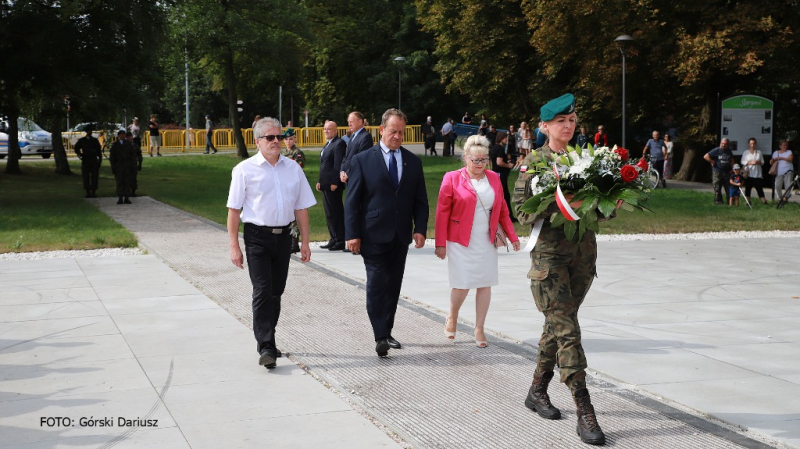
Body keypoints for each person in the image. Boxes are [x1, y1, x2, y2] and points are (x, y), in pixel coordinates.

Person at [513, 93, 607, 446]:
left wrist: (605, 204)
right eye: (560, 122)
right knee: (568, 331)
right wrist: (567, 208)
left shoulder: (587, 159)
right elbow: (523, 211)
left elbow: (601, 204)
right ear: (545, 126)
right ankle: (585, 409)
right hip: (549, 259)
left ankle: (537, 391)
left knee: (556, 327)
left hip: (583, 256)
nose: (568, 126)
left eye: (572, 120)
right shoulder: (533, 163)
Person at [226, 117, 316, 370]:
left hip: (284, 237)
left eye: (279, 136)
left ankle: (268, 338)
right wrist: (234, 245)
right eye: (270, 137)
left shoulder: (293, 168)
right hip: (257, 238)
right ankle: (266, 345)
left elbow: (301, 207)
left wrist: (306, 242)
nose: (276, 141)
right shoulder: (244, 170)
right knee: (263, 290)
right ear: (258, 142)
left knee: (276, 291)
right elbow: (234, 210)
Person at [344, 108, 429, 358]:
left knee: (393, 285)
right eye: (393, 131)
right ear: (381, 130)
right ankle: (380, 335)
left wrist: (420, 229)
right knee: (376, 283)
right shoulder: (362, 160)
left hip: (400, 236)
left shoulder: (412, 162)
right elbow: (352, 201)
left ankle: (387, 331)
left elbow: (420, 200)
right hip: (371, 235)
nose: (397, 136)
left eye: (401, 132)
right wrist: (352, 234)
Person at [435, 134, 520, 347]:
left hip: (486, 239)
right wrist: (440, 243)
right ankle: (453, 315)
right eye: (476, 160)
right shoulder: (452, 178)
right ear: (466, 158)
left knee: (485, 283)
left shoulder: (494, 178)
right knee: (462, 284)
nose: (480, 164)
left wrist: (513, 236)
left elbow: (502, 210)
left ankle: (479, 328)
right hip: (460, 240)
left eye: (484, 160)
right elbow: (442, 213)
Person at [317, 120, 347, 251]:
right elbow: (324, 165)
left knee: (336, 213)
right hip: (325, 185)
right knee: (329, 214)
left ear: (335, 131)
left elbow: (337, 164)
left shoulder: (339, 143)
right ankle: (333, 238)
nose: (326, 131)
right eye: (324, 129)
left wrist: (335, 182)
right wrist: (319, 181)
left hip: (333, 185)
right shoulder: (328, 144)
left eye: (329, 129)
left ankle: (340, 240)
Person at [281, 128, 307, 253]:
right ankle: (288, 239)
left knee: (295, 216)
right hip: (284, 187)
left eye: (291, 139)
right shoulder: (282, 154)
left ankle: (294, 241)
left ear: (295, 139)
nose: (288, 141)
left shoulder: (298, 153)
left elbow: (298, 169)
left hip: (294, 187)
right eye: (286, 139)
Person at [340, 111, 374, 184]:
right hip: (349, 177)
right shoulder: (352, 136)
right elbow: (346, 156)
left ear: (360, 122)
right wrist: (342, 170)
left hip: (358, 178)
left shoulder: (365, 137)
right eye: (348, 122)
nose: (349, 124)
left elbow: (362, 159)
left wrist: (348, 173)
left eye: (351, 121)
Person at [490, 131, 515, 222]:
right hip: (500, 174)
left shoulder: (494, 148)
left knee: (499, 195)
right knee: (505, 195)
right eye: (505, 138)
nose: (506, 140)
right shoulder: (500, 149)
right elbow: (499, 162)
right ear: (501, 138)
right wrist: (509, 165)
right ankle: (508, 216)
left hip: (496, 173)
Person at [73, 124, 102, 198]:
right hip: (86, 160)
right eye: (89, 130)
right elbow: (76, 148)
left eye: (91, 130)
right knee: (86, 176)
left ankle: (93, 191)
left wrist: (99, 161)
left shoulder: (95, 141)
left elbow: (99, 151)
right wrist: (80, 155)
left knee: (94, 176)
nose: (90, 132)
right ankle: (88, 191)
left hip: (93, 160)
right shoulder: (82, 140)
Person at [109, 129, 136, 204]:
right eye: (121, 134)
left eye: (124, 134)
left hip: (127, 165)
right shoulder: (115, 145)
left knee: (127, 182)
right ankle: (120, 197)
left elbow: (133, 156)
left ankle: (127, 197)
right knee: (119, 182)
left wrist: (133, 165)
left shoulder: (129, 144)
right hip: (119, 166)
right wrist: (113, 166)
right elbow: (112, 157)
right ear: (118, 136)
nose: (122, 136)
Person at [704, 138, 734, 205]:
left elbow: (732, 160)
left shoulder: (729, 151)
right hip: (717, 172)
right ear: (720, 143)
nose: (723, 145)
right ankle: (718, 202)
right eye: (722, 143)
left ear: (727, 145)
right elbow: (705, 156)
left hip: (727, 172)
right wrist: (712, 161)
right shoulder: (716, 150)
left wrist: (732, 168)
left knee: (728, 188)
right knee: (717, 187)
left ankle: (730, 202)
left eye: (725, 144)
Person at [740, 137, 767, 205]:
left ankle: (764, 202)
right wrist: (751, 162)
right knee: (748, 188)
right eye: (751, 143)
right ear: (749, 144)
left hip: (757, 173)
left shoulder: (759, 152)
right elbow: (742, 161)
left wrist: (757, 162)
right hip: (749, 173)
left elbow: (762, 162)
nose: (752, 145)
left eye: (754, 143)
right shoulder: (745, 152)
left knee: (759, 188)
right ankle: (748, 201)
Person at [125, 131, 143, 197]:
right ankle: (127, 191)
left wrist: (140, 163)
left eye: (130, 137)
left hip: (133, 164)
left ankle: (133, 191)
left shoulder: (135, 146)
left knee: (133, 178)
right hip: (126, 165)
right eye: (128, 137)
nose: (130, 138)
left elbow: (139, 155)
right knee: (126, 178)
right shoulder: (124, 145)